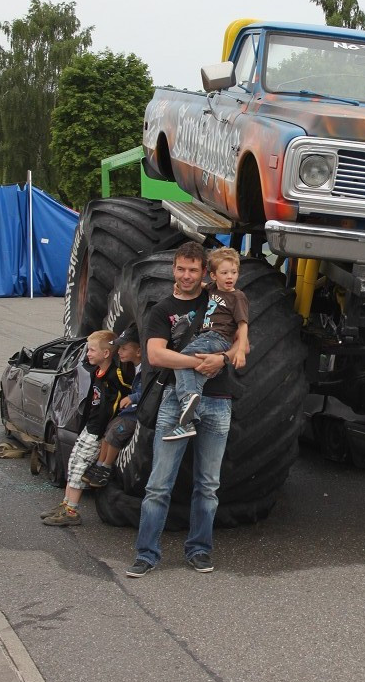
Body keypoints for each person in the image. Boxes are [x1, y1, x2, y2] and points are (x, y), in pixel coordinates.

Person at [126, 241, 237, 578]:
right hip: (175, 400)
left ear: (204, 272)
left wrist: (222, 358)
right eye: (181, 269)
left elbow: (240, 341)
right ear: (173, 269)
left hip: (218, 401)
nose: (186, 275)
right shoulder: (161, 310)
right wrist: (199, 362)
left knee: (208, 485)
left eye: (193, 270)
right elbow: (156, 355)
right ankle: (146, 554)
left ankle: (199, 550)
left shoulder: (219, 299)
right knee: (159, 484)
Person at [40, 330, 133, 526]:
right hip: (89, 427)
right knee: (73, 463)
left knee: (79, 469)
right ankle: (65, 504)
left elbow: (127, 395)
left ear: (106, 353)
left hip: (98, 432)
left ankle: (72, 511)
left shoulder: (116, 374)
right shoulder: (96, 372)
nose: (88, 354)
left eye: (91, 350)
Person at [163, 247, 249, 442]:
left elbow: (243, 326)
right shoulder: (212, 288)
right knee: (199, 369)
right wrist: (178, 287)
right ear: (213, 275)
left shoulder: (238, 297)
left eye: (234, 273)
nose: (230, 277)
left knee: (182, 359)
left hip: (217, 338)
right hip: (208, 337)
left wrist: (240, 351)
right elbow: (200, 285)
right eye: (224, 273)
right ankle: (187, 418)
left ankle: (188, 401)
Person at [82, 325, 142, 489]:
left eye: (123, 348)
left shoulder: (145, 369)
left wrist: (131, 396)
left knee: (116, 433)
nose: (119, 351)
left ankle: (106, 468)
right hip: (128, 412)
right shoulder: (134, 367)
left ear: (138, 351)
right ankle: (99, 464)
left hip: (137, 414)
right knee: (108, 430)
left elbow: (147, 390)